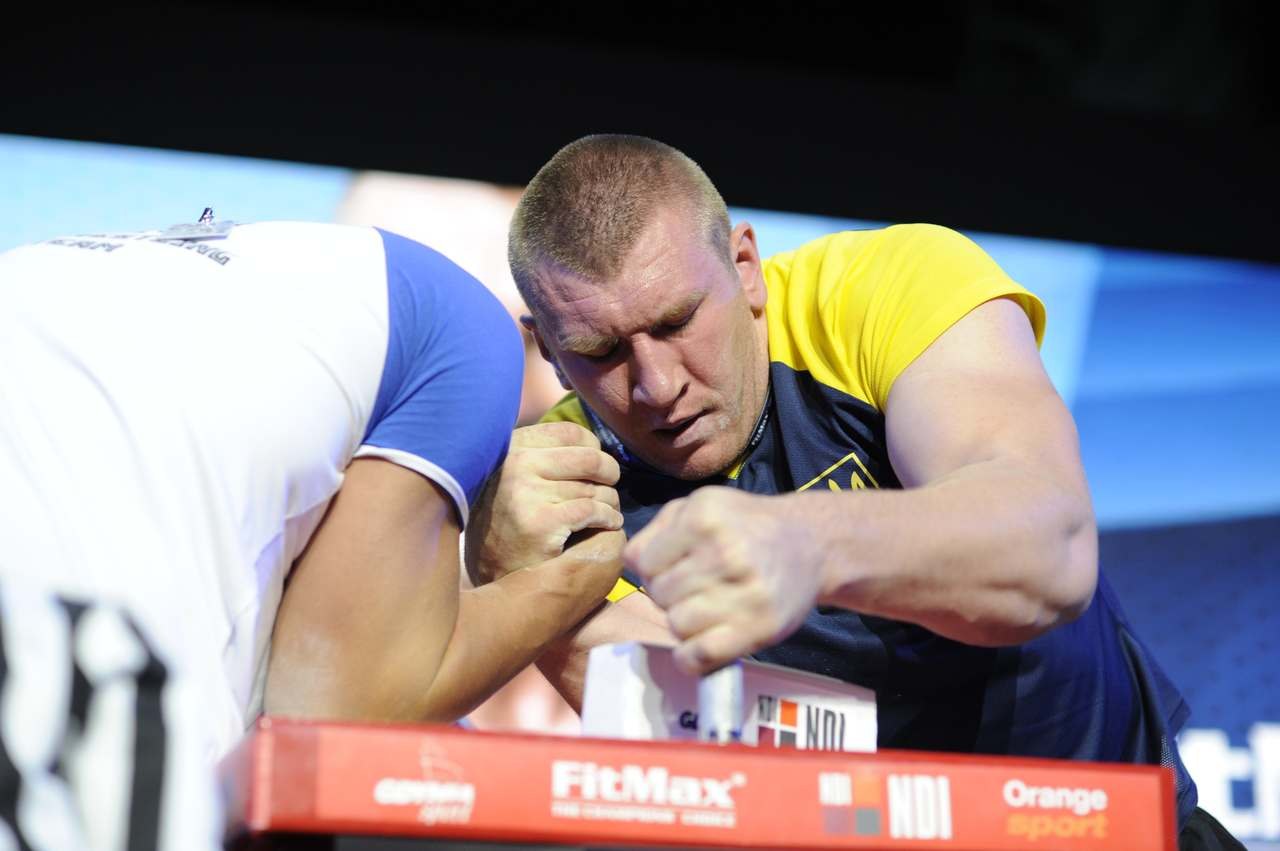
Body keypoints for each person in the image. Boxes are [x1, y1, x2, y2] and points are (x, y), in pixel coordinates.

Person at [466, 134, 1244, 850]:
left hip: (1113, 829)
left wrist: (809, 542)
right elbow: (727, 767)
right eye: (600, 352)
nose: (658, 385)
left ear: (745, 269)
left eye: (676, 321)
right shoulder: (556, 497)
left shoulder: (884, 289)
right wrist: (518, 588)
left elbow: (1053, 553)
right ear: (551, 354)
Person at [0, 219, 623, 849]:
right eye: (601, 350)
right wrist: (581, 573)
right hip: (74, 656)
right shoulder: (466, 328)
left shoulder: (273, 311)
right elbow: (335, 722)